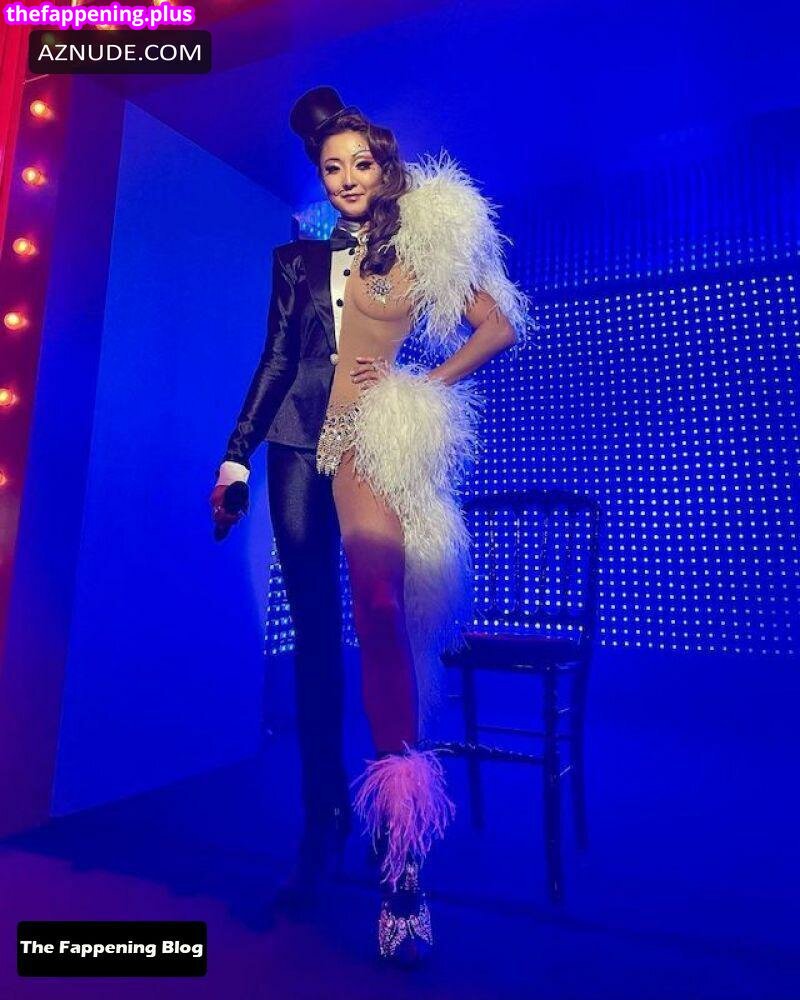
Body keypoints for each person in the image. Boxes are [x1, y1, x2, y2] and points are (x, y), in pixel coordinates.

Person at [210, 86, 531, 965]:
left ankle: (402, 850)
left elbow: (497, 326)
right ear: (320, 179)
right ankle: (323, 823)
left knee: (382, 612)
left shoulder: (421, 248)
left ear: (385, 169)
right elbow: (275, 362)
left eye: (360, 163)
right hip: (291, 452)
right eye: (331, 168)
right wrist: (236, 458)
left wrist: (424, 385)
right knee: (314, 642)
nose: (347, 178)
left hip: (365, 446)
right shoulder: (298, 261)